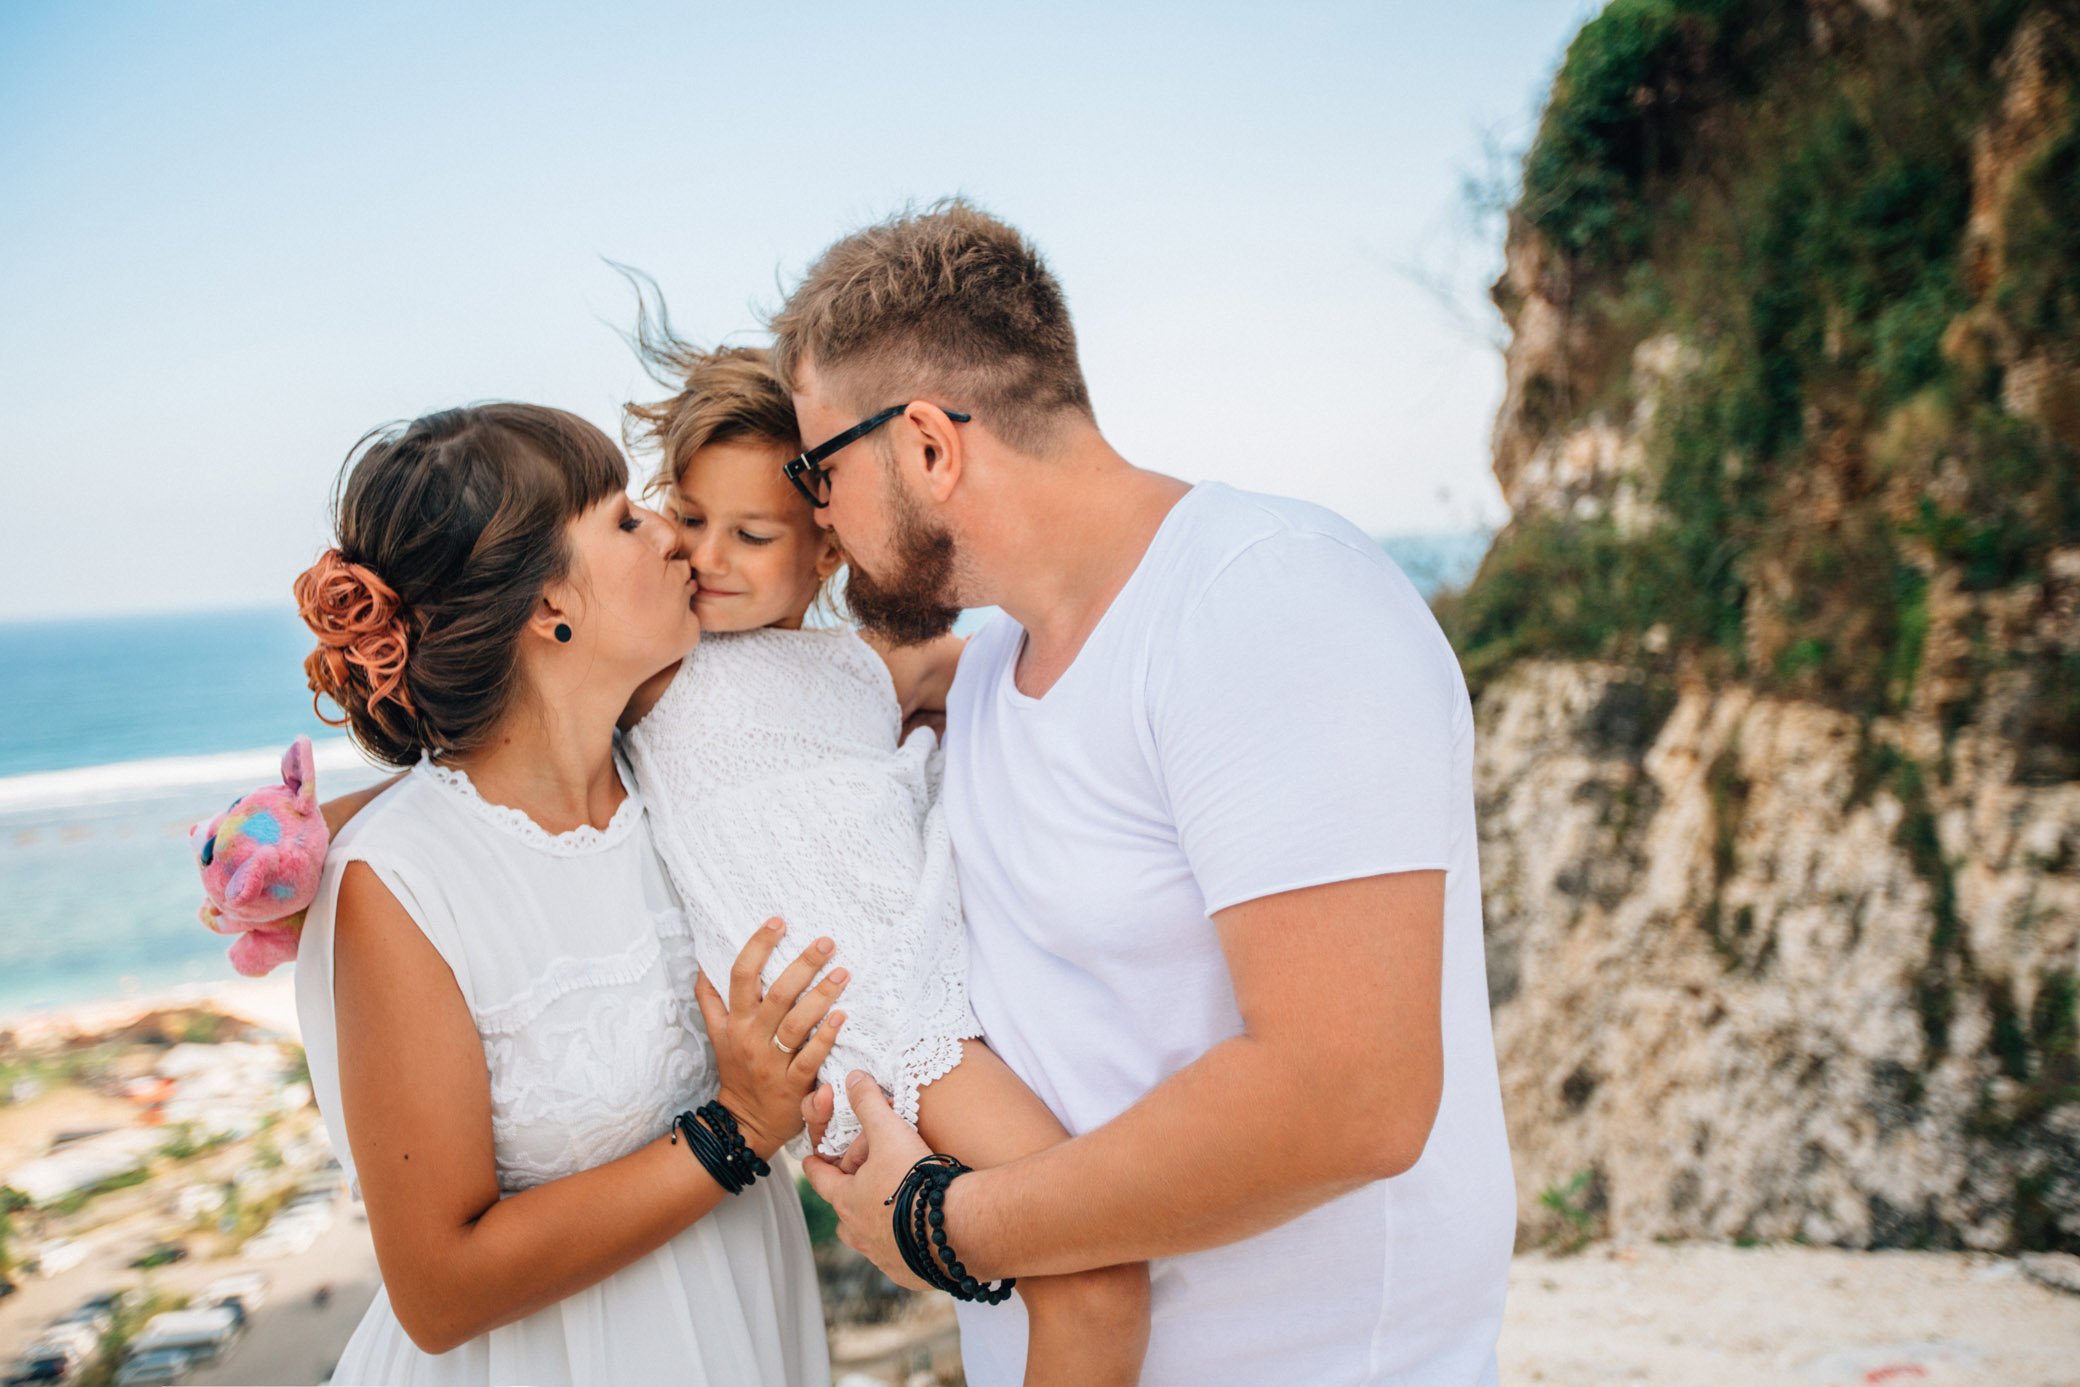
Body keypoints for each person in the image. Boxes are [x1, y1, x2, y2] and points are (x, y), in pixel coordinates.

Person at [782, 201, 1518, 1385]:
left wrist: (939, 1223)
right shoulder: (989, 678)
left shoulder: (1263, 604)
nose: (813, 515)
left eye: (817, 469)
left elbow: (1350, 1098)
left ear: (927, 445)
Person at [614, 321, 1149, 1385]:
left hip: (937, 993)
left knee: (1090, 1274)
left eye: (751, 535)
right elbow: (494, 764)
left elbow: (1010, 655)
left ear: (825, 544)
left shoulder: (863, 660)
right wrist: (302, 846)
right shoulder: (650, 668)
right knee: (1093, 1276)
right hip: (875, 1025)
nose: (708, 558)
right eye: (689, 519)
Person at [290, 403, 841, 1385]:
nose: (673, 531)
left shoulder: (681, 768)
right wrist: (739, 1126)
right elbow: (438, 1290)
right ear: (550, 607)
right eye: (625, 519)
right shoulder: (403, 883)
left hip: (741, 1330)